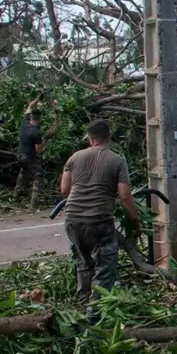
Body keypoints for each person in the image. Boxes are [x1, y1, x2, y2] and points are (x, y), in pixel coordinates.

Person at [60, 120, 139, 303]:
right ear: (109, 137)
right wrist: (135, 221)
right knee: (104, 268)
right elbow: (125, 196)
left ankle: (83, 303)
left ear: (90, 139)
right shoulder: (117, 160)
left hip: (73, 219)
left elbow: (65, 189)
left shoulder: (74, 157)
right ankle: (95, 312)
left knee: (83, 263)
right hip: (99, 220)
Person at [15, 96, 46, 206]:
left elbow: (30, 106)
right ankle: (34, 202)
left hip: (19, 155)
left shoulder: (25, 122)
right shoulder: (37, 133)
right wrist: (43, 142)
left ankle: (16, 196)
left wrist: (38, 98)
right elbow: (38, 150)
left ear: (31, 116)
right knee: (39, 174)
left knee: (23, 171)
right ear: (39, 118)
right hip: (28, 157)